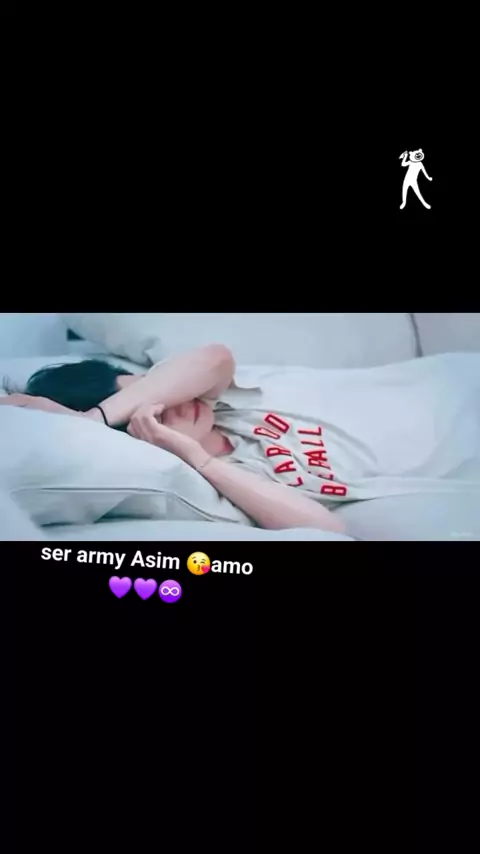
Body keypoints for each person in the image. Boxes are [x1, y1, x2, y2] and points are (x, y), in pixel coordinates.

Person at [1, 344, 479, 533]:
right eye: (148, 412)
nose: (170, 403)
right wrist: (200, 459)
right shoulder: (228, 481)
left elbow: (214, 357)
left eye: (147, 393)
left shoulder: (219, 397)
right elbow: (326, 532)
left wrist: (98, 417)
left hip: (457, 379)